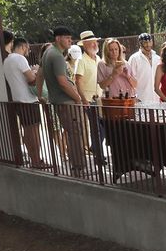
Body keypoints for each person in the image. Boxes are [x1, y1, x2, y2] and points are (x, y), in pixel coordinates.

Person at [42, 25, 87, 173]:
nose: (70, 41)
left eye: (70, 38)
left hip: (58, 100)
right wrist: (78, 98)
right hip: (67, 101)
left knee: (72, 132)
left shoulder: (48, 52)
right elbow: (62, 82)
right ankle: (79, 166)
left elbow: (39, 75)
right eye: (67, 38)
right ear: (58, 38)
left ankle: (77, 164)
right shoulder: (56, 55)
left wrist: (40, 95)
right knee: (76, 133)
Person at [2, 31, 46, 166]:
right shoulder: (20, 59)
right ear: (23, 46)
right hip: (28, 100)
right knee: (34, 131)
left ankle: (34, 159)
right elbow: (32, 79)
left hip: (17, 99)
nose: (28, 50)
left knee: (27, 130)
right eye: (27, 47)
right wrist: (37, 71)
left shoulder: (7, 60)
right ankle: (37, 160)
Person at [74, 30, 106, 167]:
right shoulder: (81, 60)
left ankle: (95, 147)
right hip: (89, 99)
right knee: (96, 128)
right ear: (85, 44)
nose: (95, 44)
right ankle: (99, 157)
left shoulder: (98, 59)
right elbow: (78, 81)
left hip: (99, 99)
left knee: (103, 128)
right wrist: (83, 99)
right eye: (92, 42)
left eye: (96, 42)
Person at [98, 38, 137, 116]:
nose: (114, 52)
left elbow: (135, 84)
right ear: (106, 51)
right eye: (111, 50)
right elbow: (102, 85)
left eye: (116, 49)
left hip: (127, 101)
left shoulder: (125, 63)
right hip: (113, 102)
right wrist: (113, 74)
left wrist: (127, 76)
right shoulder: (102, 64)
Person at [127, 33, 163, 109]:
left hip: (157, 100)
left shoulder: (158, 58)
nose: (148, 44)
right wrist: (134, 97)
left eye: (150, 41)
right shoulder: (134, 58)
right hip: (141, 99)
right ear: (140, 43)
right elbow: (130, 80)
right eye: (145, 42)